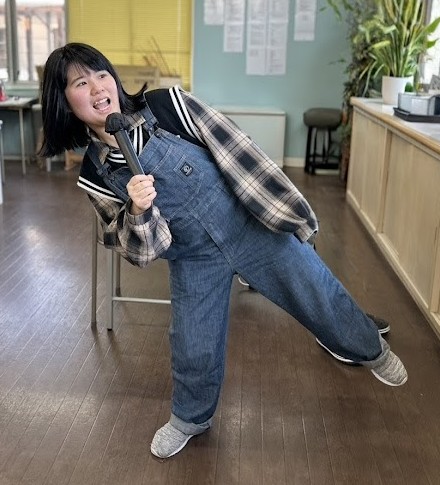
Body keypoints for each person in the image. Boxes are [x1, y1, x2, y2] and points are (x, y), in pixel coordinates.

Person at [39, 43, 407, 460]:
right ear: (63, 102)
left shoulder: (169, 107)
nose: (97, 88)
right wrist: (139, 211)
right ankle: (190, 418)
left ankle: (371, 350)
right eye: (80, 83)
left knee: (316, 290)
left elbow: (240, 152)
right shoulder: (96, 175)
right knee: (192, 344)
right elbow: (140, 252)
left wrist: (284, 212)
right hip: (193, 259)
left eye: (101, 74)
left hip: (250, 228)